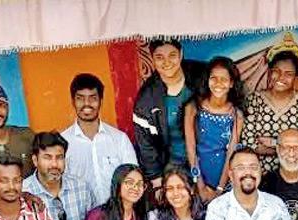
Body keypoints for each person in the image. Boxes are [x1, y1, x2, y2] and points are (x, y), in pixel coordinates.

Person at [134, 38, 207, 187]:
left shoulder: (203, 76)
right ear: (152, 59)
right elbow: (146, 145)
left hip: (208, 158)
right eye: (159, 57)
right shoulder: (146, 99)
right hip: (175, 166)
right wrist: (157, 180)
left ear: (181, 54)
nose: (166, 62)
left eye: (172, 55)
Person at [61, 72, 138, 206]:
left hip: (117, 216)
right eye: (80, 98)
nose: (87, 104)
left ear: (101, 100)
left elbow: (133, 180)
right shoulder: (62, 143)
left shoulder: (119, 140)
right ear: (73, 101)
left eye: (93, 98)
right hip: (81, 219)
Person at [242, 51, 298, 176]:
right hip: (261, 176)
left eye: (289, 74)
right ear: (270, 72)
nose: (281, 77)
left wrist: (273, 143)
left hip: (292, 176)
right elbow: (248, 143)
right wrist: (292, 149)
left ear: (296, 77)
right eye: (277, 71)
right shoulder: (255, 100)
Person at [184, 56, 246, 203]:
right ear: (207, 80)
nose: (218, 84)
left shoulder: (236, 114)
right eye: (214, 78)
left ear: (231, 83)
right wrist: (200, 186)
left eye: (224, 79)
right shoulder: (193, 108)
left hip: (224, 181)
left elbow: (231, 152)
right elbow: (191, 148)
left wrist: (220, 189)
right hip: (196, 177)